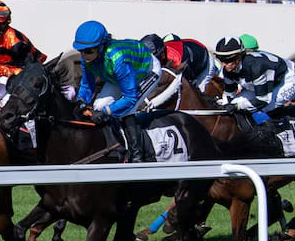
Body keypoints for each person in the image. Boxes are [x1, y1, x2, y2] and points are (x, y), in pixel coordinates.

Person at [72, 20, 159, 163]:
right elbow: (87, 85)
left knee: (127, 110)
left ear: (101, 46)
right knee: (98, 106)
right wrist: (80, 101)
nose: (84, 55)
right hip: (120, 75)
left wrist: (106, 112)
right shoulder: (87, 59)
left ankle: (137, 155)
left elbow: (130, 98)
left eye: (88, 51)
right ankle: (115, 143)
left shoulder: (117, 59)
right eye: (80, 51)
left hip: (147, 71)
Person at [0, 0, 46, 104]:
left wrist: (0, 69)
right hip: (8, 75)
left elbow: (26, 72)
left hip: (30, 76)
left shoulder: (16, 42)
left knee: (7, 104)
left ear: (2, 25)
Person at [214, 36, 295, 118]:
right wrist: (225, 105)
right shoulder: (227, 69)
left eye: (227, 60)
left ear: (239, 57)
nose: (223, 64)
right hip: (260, 86)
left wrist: (236, 106)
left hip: (286, 81)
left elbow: (263, 100)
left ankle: (277, 127)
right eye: (221, 59)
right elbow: (229, 94)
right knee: (235, 103)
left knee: (263, 109)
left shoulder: (256, 67)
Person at [145, 33, 217, 93]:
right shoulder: (161, 55)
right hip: (188, 48)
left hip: (204, 64)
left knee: (196, 93)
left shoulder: (177, 61)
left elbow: (187, 86)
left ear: (162, 55)